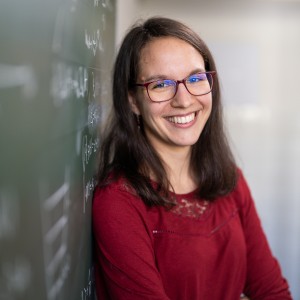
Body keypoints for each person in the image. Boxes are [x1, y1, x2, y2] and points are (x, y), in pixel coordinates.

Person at [92, 17, 292, 300]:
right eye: (160, 85)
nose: (184, 100)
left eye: (196, 79)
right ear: (132, 101)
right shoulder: (119, 202)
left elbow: (271, 291)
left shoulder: (229, 179)